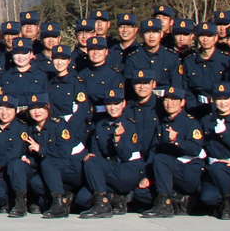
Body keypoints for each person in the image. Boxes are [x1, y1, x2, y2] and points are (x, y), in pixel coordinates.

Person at [77, 88, 144, 219]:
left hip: (128, 170)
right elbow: (96, 152)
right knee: (82, 199)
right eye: (109, 104)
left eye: (116, 103)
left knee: (92, 162)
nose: (113, 108)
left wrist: (118, 139)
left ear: (123, 104)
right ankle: (115, 198)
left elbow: (125, 156)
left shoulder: (130, 125)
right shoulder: (100, 125)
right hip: (109, 171)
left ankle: (103, 205)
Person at [140, 86, 204, 218]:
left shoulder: (191, 123)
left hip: (189, 171)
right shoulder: (162, 124)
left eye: (174, 100)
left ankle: (165, 206)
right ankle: (178, 200)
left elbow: (195, 149)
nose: (169, 103)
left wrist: (177, 140)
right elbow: (154, 150)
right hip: (169, 174)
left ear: (182, 102)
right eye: (166, 100)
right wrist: (147, 175)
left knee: (161, 159)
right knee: (141, 193)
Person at [198, 81, 230, 220]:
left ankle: (228, 204)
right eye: (219, 99)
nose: (222, 103)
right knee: (208, 197)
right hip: (213, 170)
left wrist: (224, 134)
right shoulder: (206, 121)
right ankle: (225, 204)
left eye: (226, 98)